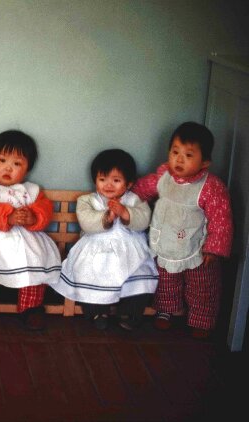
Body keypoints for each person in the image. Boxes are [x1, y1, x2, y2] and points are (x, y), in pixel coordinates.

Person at [132, 122, 233, 339]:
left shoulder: (211, 187)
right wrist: (126, 198)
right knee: (167, 280)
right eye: (175, 152)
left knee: (202, 286)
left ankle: (202, 319)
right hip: (166, 242)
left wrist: (214, 248)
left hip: (197, 248)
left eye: (188, 155)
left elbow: (221, 219)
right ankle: (166, 310)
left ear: (204, 162)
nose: (179, 159)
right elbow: (141, 189)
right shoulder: (163, 177)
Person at [51, 149, 158, 330]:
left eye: (116, 180)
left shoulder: (134, 200)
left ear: (129, 183)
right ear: (95, 180)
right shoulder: (87, 200)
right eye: (102, 179)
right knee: (90, 272)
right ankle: (96, 311)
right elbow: (86, 222)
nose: (108, 185)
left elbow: (144, 220)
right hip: (95, 248)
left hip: (129, 249)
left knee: (139, 274)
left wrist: (125, 213)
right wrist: (106, 218)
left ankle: (130, 312)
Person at [0, 130, 61, 331]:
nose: (8, 167)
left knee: (34, 267)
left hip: (26, 243)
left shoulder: (33, 190)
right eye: (2, 160)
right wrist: (8, 216)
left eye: (17, 163)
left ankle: (31, 309)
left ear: (27, 168)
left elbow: (45, 209)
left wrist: (33, 217)